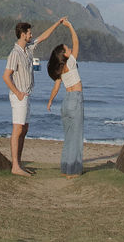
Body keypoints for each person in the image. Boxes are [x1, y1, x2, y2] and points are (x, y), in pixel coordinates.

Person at [3, 17, 64, 175]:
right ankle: (15, 166)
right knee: (17, 129)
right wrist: (17, 93)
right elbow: (6, 76)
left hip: (27, 95)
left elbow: (44, 37)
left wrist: (57, 23)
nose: (31, 35)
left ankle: (19, 163)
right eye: (29, 32)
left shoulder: (28, 48)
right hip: (19, 96)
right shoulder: (14, 53)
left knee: (24, 129)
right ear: (23, 34)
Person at [46, 17, 83, 177]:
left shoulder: (61, 71)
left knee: (69, 137)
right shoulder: (69, 64)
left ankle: (65, 169)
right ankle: (73, 171)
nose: (70, 49)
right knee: (76, 137)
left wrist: (50, 101)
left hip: (66, 102)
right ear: (65, 54)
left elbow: (56, 87)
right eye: (67, 49)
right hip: (75, 100)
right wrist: (70, 26)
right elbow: (77, 42)